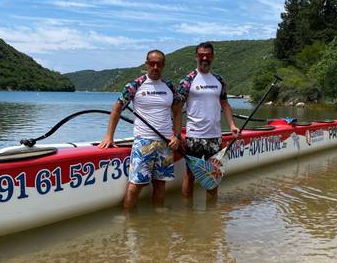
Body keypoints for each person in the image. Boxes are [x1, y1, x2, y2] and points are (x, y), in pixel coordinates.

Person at [98, 49, 183, 210]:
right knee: (135, 186)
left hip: (166, 143)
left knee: (160, 185)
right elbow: (116, 109)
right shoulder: (134, 85)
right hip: (143, 142)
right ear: (146, 64)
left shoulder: (170, 86)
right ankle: (128, 222)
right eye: (152, 63)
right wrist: (109, 136)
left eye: (159, 64)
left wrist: (177, 136)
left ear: (163, 65)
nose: (155, 67)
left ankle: (158, 221)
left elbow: (178, 112)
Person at [176, 42, 239, 200]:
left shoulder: (219, 80)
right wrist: (177, 134)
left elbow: (224, 103)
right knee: (190, 176)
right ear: (196, 56)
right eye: (201, 55)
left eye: (208, 55)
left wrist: (232, 125)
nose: (205, 58)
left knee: (213, 176)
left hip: (215, 137)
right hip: (194, 137)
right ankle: (187, 214)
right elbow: (177, 110)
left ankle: (213, 215)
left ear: (212, 57)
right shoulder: (188, 80)